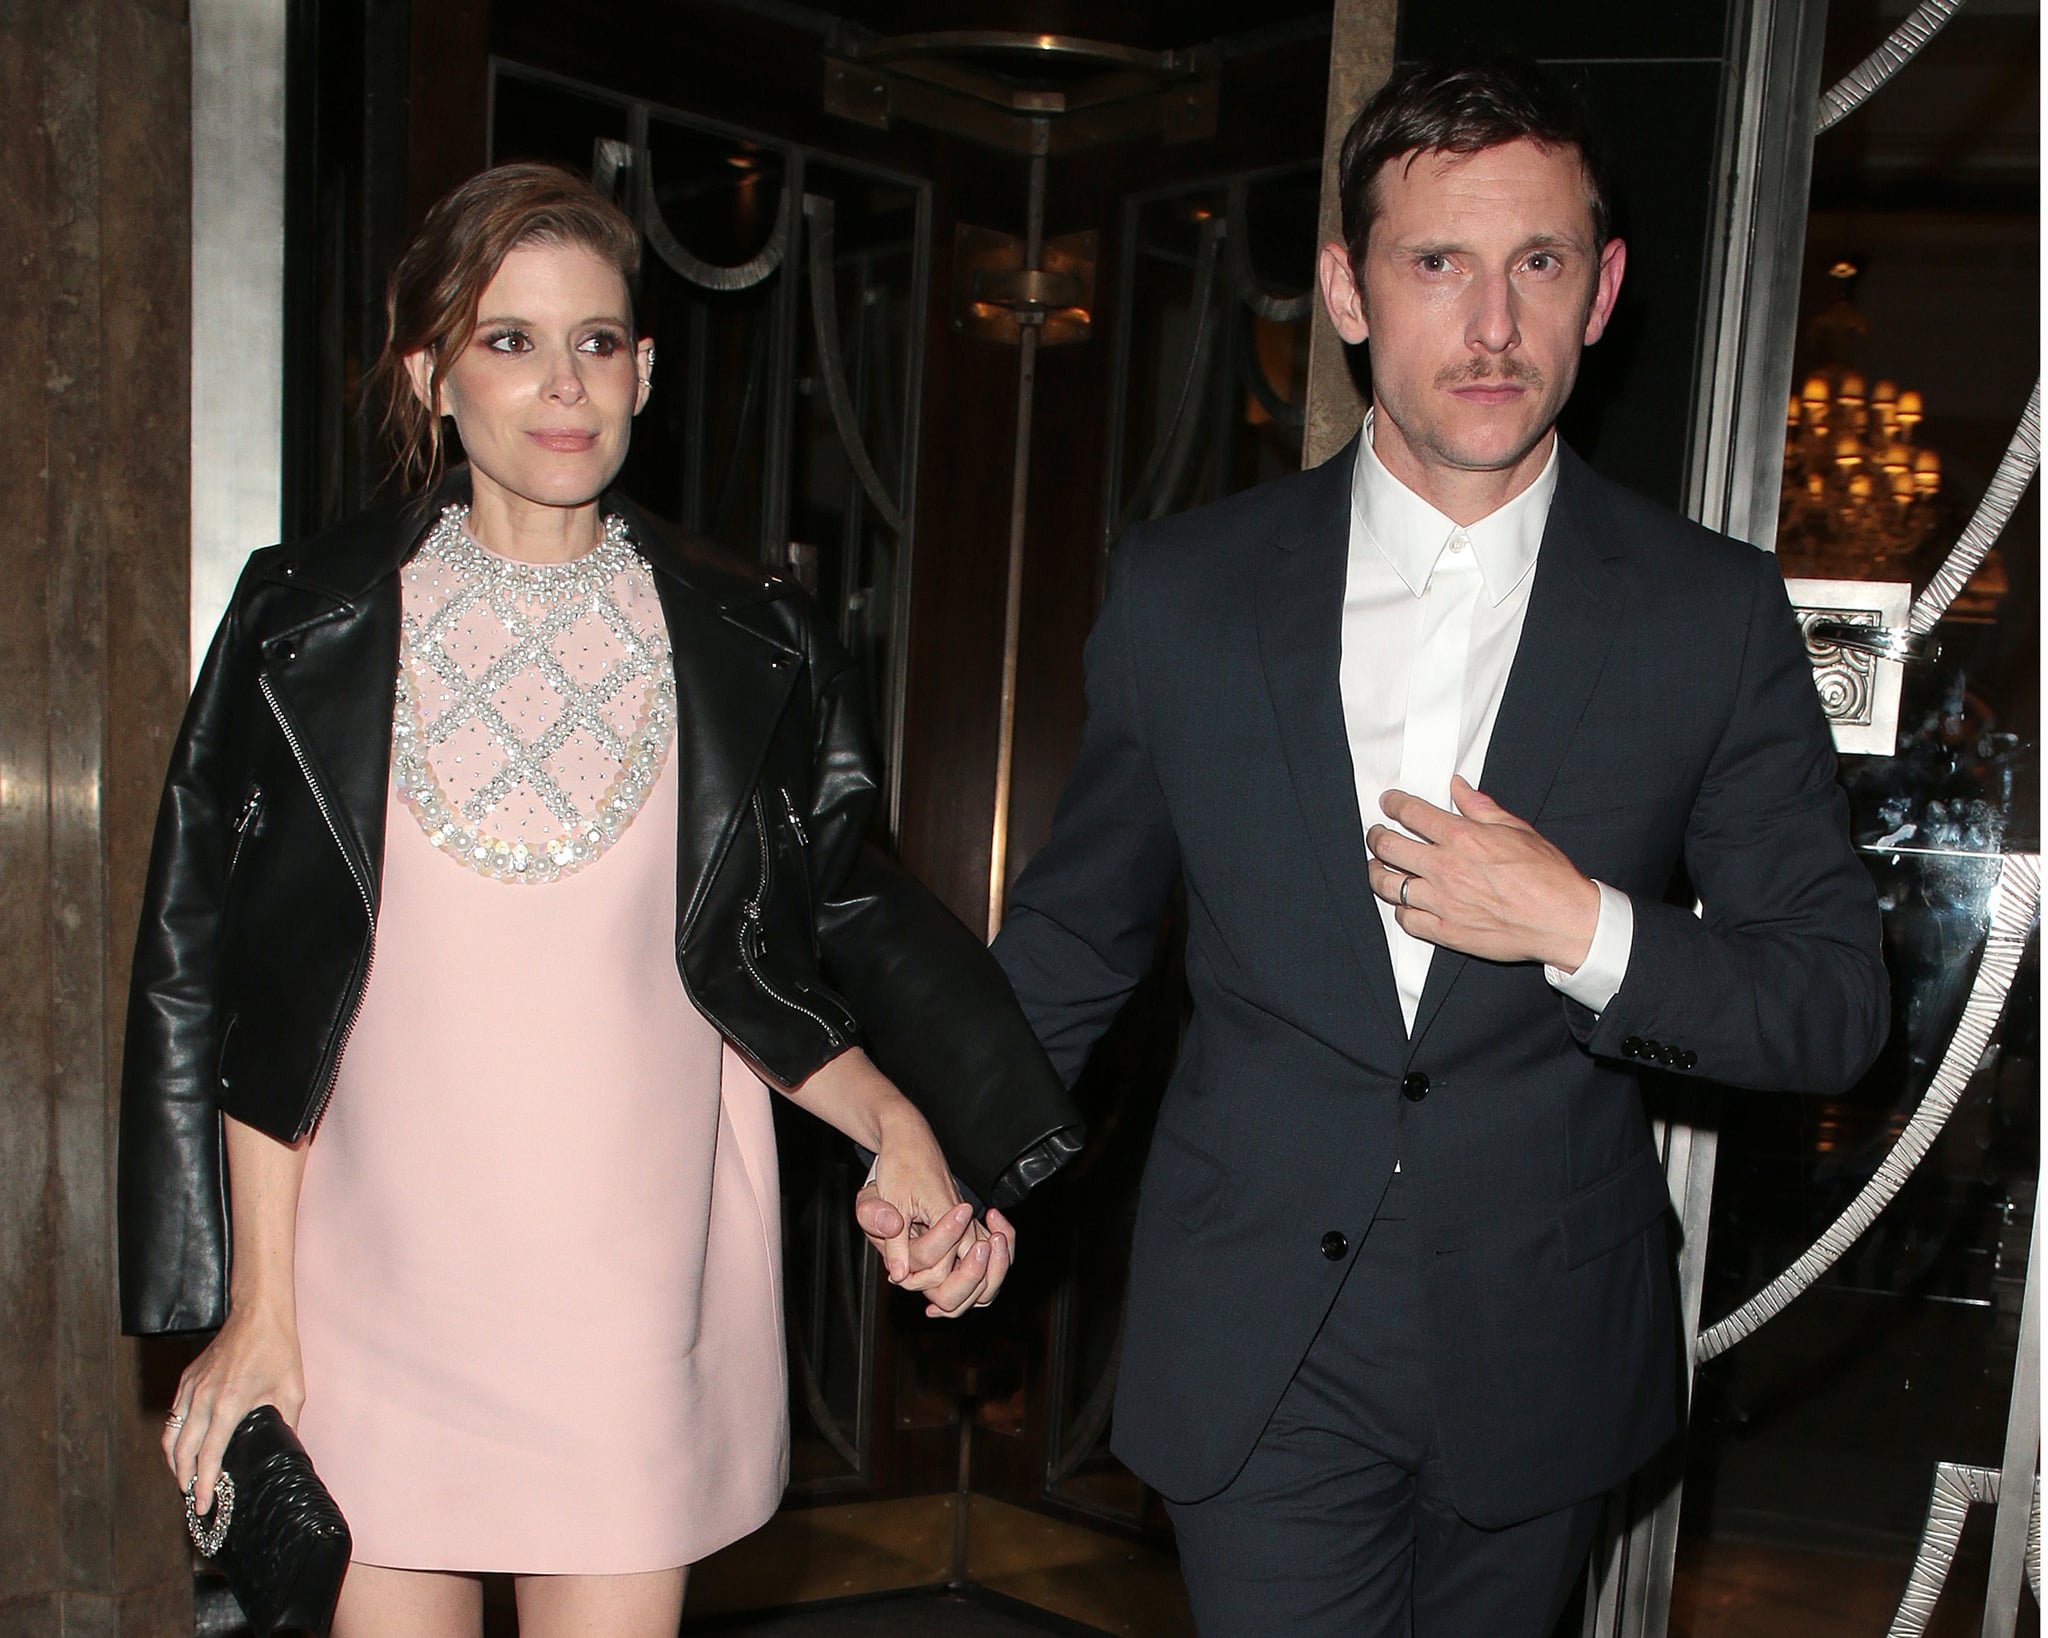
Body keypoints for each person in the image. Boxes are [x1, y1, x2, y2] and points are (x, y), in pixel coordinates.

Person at [981, 61, 1889, 1636]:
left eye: (1537, 263)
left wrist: (1579, 922)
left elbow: (1828, 1003)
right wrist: (954, 1145)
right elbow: (1077, 939)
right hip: (1263, 1331)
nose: (1491, 325)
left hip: (1538, 1336)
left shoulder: (1706, 613)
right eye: (1436, 263)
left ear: (1601, 292)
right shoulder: (1189, 591)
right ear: (1346, 288)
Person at [118, 162, 1079, 1638]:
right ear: (430, 370)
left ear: (646, 367)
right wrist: (251, 1305)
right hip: (371, 1290)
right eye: (509, 340)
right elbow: (224, 968)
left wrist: (924, 1134)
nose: (562, 383)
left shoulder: (741, 633)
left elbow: (807, 923)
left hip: (629, 1297)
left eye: (600, 339)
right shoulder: (304, 616)